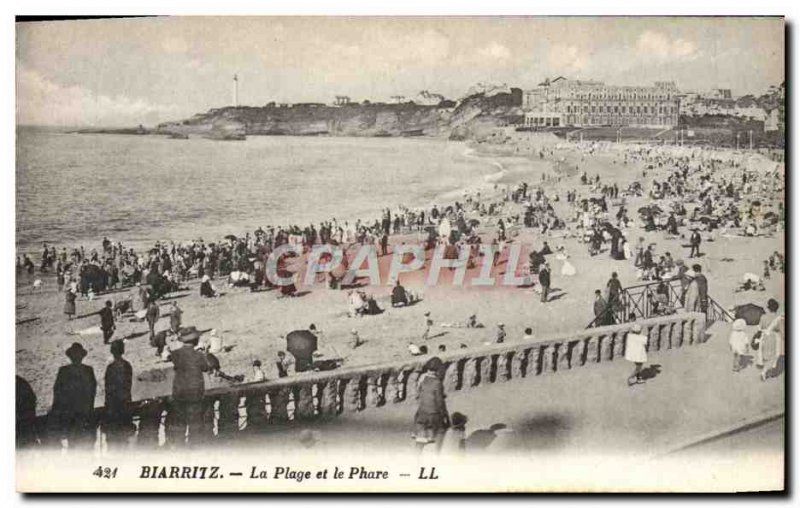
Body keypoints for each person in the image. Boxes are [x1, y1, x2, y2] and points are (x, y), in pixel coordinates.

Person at [168, 328, 209, 447]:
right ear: (196, 340)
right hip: (195, 393)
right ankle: (193, 448)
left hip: (179, 392)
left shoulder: (175, 354)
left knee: (180, 422)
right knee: (195, 423)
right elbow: (206, 368)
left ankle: (180, 447)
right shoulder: (199, 355)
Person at [51, 343, 97, 450]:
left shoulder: (64, 371)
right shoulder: (88, 370)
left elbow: (57, 393)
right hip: (84, 414)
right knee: (85, 446)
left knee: (73, 444)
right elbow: (92, 392)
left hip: (70, 415)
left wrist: (57, 412)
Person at [414, 356, 449, 454]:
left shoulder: (423, 378)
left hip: (421, 411)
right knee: (440, 433)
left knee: (420, 439)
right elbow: (439, 402)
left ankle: (417, 458)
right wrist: (445, 416)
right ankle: (437, 456)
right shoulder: (437, 383)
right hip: (433, 413)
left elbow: (419, 393)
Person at [104, 340, 132, 449]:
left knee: (112, 441)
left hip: (113, 406)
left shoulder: (110, 368)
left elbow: (108, 388)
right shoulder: (127, 365)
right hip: (125, 404)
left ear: (112, 351)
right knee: (124, 440)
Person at [759, 299, 785, 380]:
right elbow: (780, 329)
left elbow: (760, 327)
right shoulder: (778, 318)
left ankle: (766, 369)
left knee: (766, 354)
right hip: (774, 337)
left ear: (768, 308)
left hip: (764, 336)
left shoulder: (763, 317)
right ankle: (767, 371)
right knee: (774, 355)